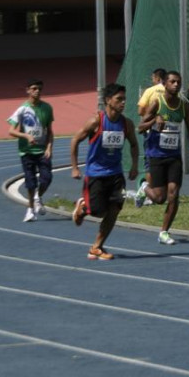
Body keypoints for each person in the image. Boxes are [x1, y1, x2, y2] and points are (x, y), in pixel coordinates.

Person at [69, 83, 139, 260]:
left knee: (114, 209)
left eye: (124, 99)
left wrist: (134, 166)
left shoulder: (126, 124)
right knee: (98, 211)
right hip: (96, 174)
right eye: (119, 99)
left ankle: (96, 247)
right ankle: (83, 208)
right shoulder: (96, 121)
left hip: (115, 174)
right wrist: (75, 167)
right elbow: (75, 140)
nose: (123, 103)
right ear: (108, 101)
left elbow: (134, 144)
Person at [134, 71, 189, 245]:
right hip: (156, 155)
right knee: (159, 198)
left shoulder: (184, 106)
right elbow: (140, 128)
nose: (176, 85)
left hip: (174, 157)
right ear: (165, 84)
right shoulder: (157, 103)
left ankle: (164, 232)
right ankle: (144, 188)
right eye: (172, 82)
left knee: (174, 194)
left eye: (178, 82)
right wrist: (154, 122)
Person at [7, 78, 54, 223]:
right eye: (34, 88)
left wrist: (49, 147)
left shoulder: (47, 108)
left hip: (42, 150)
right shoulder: (22, 109)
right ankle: (30, 209)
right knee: (30, 181)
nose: (37, 91)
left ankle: (37, 197)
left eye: (39, 88)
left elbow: (50, 131)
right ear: (28, 90)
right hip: (26, 151)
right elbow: (11, 131)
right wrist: (26, 135)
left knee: (47, 178)